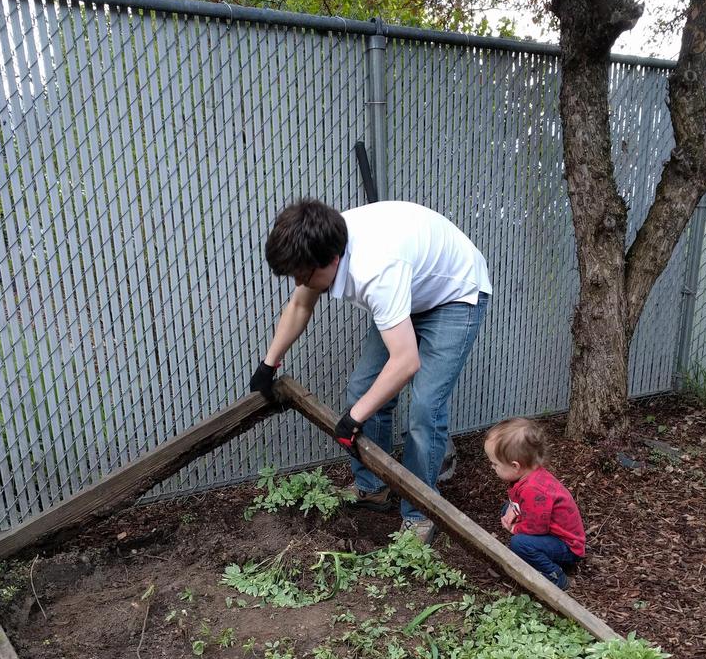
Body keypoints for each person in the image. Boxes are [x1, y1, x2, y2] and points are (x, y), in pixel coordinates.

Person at [250, 198, 491, 543]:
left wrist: (354, 418)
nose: (300, 281)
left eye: (304, 275)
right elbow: (300, 304)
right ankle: (373, 487)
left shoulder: (376, 270)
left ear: (333, 259)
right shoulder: (318, 241)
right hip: (411, 286)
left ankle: (420, 513)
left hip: (455, 291)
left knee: (425, 409)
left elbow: (406, 362)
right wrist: (268, 363)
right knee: (362, 392)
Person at [484, 417, 585, 591]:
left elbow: (537, 528)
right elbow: (518, 501)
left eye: (495, 464)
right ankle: (536, 554)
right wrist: (511, 510)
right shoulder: (527, 475)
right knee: (505, 510)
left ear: (515, 466)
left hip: (567, 547)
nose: (492, 467)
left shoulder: (534, 490)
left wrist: (515, 529)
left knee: (519, 543)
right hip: (550, 533)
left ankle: (555, 576)